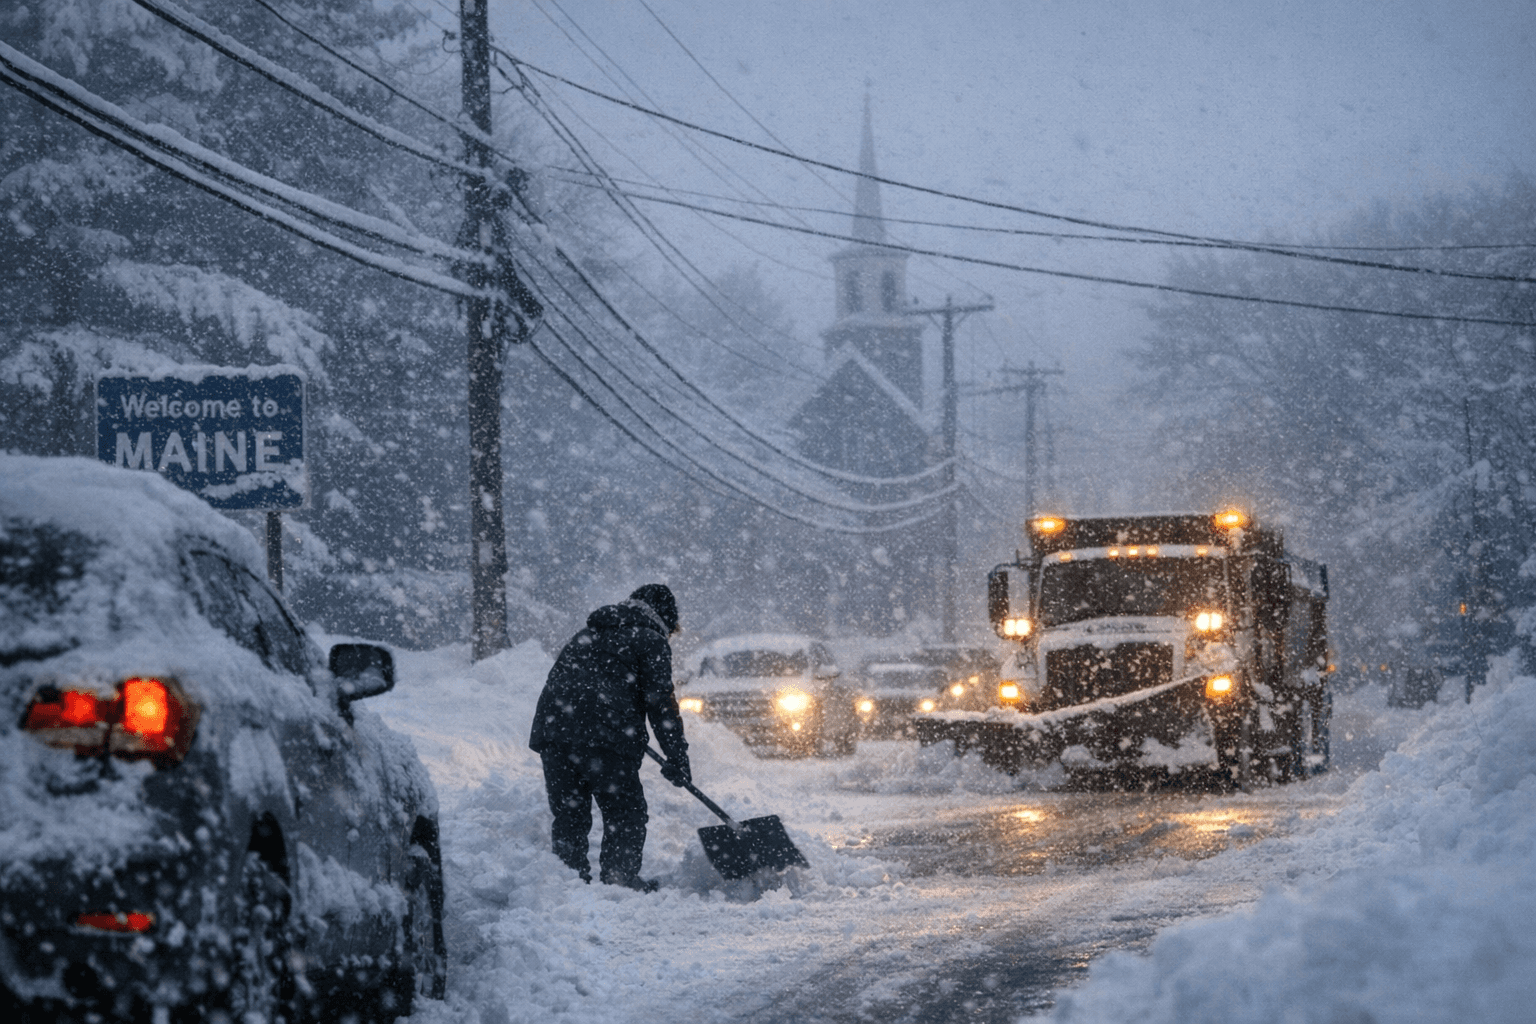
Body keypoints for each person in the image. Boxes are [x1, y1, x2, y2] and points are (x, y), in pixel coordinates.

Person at [528, 583, 692, 891]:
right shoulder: (650, 640)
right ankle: (620, 881)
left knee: (570, 815)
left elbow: (571, 684)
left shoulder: (588, 633)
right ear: (665, 619)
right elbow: (660, 704)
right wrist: (677, 756)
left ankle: (567, 884)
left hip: (555, 732)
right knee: (625, 812)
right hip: (605, 734)